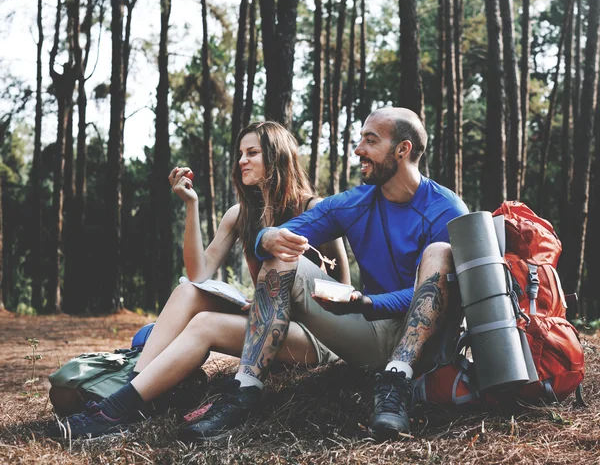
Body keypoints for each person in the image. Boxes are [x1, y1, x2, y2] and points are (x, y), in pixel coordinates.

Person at [180, 107, 468, 442]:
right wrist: (268, 237)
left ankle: (396, 383)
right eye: (360, 139)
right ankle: (243, 391)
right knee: (282, 254)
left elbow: (444, 293)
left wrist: (369, 303)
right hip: (374, 336)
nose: (358, 149)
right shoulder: (353, 203)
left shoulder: (446, 208)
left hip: (428, 347)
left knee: (439, 253)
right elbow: (280, 237)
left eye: (370, 141)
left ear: (402, 150)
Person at [49, 121, 349, 439]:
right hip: (267, 325)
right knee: (188, 291)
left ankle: (112, 413)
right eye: (240, 154)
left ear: (277, 157)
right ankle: (133, 391)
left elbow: (345, 293)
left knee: (205, 323)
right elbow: (198, 274)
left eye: (253, 153)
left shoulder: (316, 210)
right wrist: (192, 205)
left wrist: (281, 304)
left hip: (316, 337)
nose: (242, 161)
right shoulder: (240, 215)